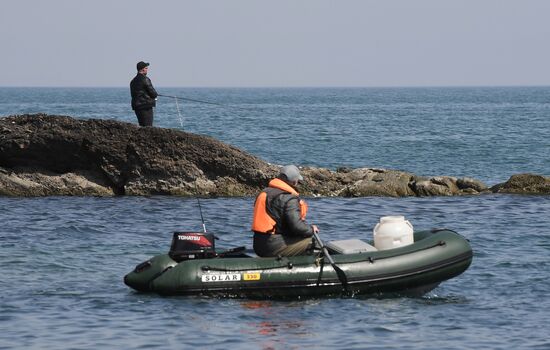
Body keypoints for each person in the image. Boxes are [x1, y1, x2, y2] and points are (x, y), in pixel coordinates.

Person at [251, 165, 320, 257]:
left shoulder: (265, 192)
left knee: (298, 238)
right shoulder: (289, 199)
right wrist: (311, 229)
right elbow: (297, 227)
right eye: (297, 181)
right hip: (273, 246)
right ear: (294, 181)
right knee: (313, 242)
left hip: (258, 245)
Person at [130, 61, 158, 126]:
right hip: (146, 106)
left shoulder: (133, 81)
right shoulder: (145, 79)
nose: (147, 70)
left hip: (137, 107)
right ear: (142, 69)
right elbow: (153, 94)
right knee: (148, 127)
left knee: (142, 126)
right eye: (146, 68)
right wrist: (155, 95)